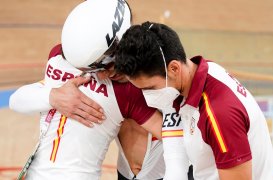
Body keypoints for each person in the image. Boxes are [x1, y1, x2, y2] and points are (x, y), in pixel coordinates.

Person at [9, 1, 166, 179]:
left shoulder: (57, 57)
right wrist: (53, 96)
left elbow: (17, 100)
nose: (105, 73)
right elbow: (172, 135)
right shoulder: (128, 89)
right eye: (99, 67)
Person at [114, 21, 273, 179]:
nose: (147, 97)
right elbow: (176, 158)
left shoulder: (219, 114)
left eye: (149, 88)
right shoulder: (183, 85)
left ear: (174, 68)